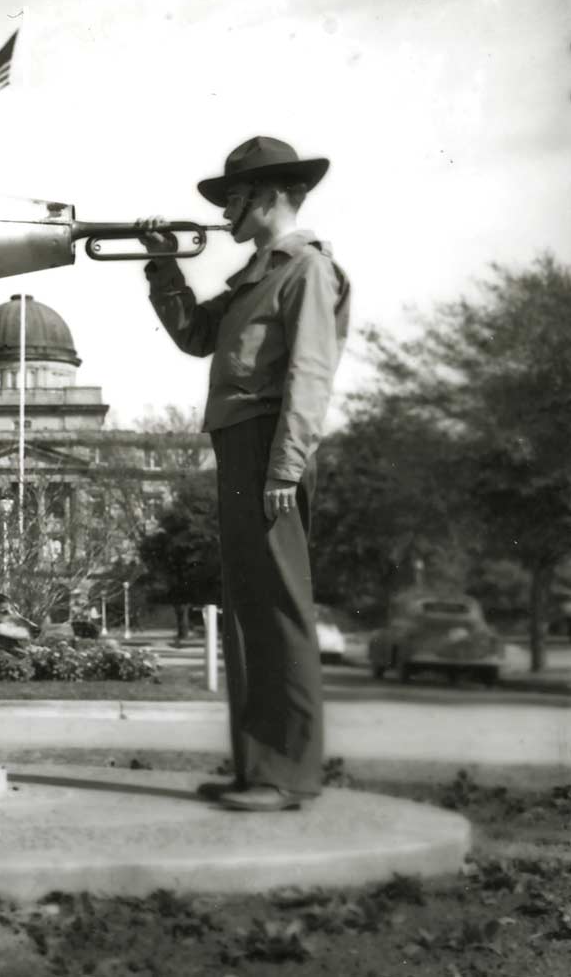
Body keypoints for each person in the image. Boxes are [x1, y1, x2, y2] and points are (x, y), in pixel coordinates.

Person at [137, 136, 350, 812]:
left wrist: (285, 467)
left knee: (279, 610)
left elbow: (310, 376)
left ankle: (287, 774)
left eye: (234, 196)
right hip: (238, 443)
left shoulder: (305, 268)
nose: (226, 210)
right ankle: (257, 768)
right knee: (247, 612)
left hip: (269, 448)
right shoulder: (258, 273)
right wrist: (163, 268)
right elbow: (197, 335)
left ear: (270, 197)